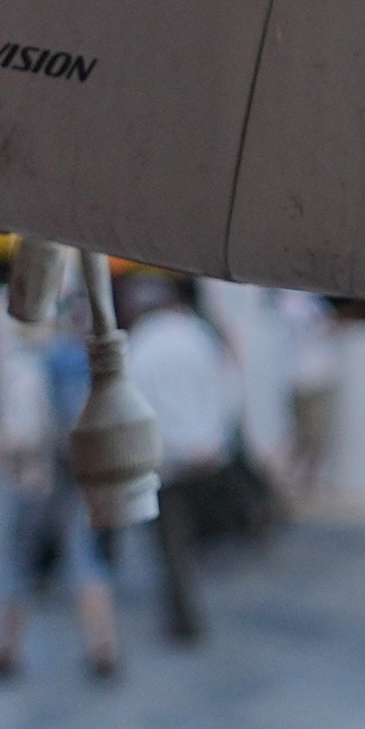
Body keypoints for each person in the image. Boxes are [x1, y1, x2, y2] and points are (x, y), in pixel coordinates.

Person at [0, 310, 120, 686]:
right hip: (75, 475)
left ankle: (6, 648)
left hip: (34, 478)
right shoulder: (74, 360)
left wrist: (1, 452)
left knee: (16, 561)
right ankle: (102, 646)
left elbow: (19, 435)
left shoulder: (25, 366)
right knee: (86, 558)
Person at [124, 274, 243, 643]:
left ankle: (184, 618)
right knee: (193, 533)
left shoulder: (141, 344)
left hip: (167, 465)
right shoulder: (198, 334)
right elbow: (231, 387)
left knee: (170, 545)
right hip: (208, 454)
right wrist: (217, 439)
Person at [278, 290, 347, 509]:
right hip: (309, 380)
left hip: (309, 378)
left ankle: (299, 486)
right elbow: (327, 328)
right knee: (309, 439)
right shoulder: (297, 303)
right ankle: (289, 484)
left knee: (310, 439)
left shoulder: (303, 301)